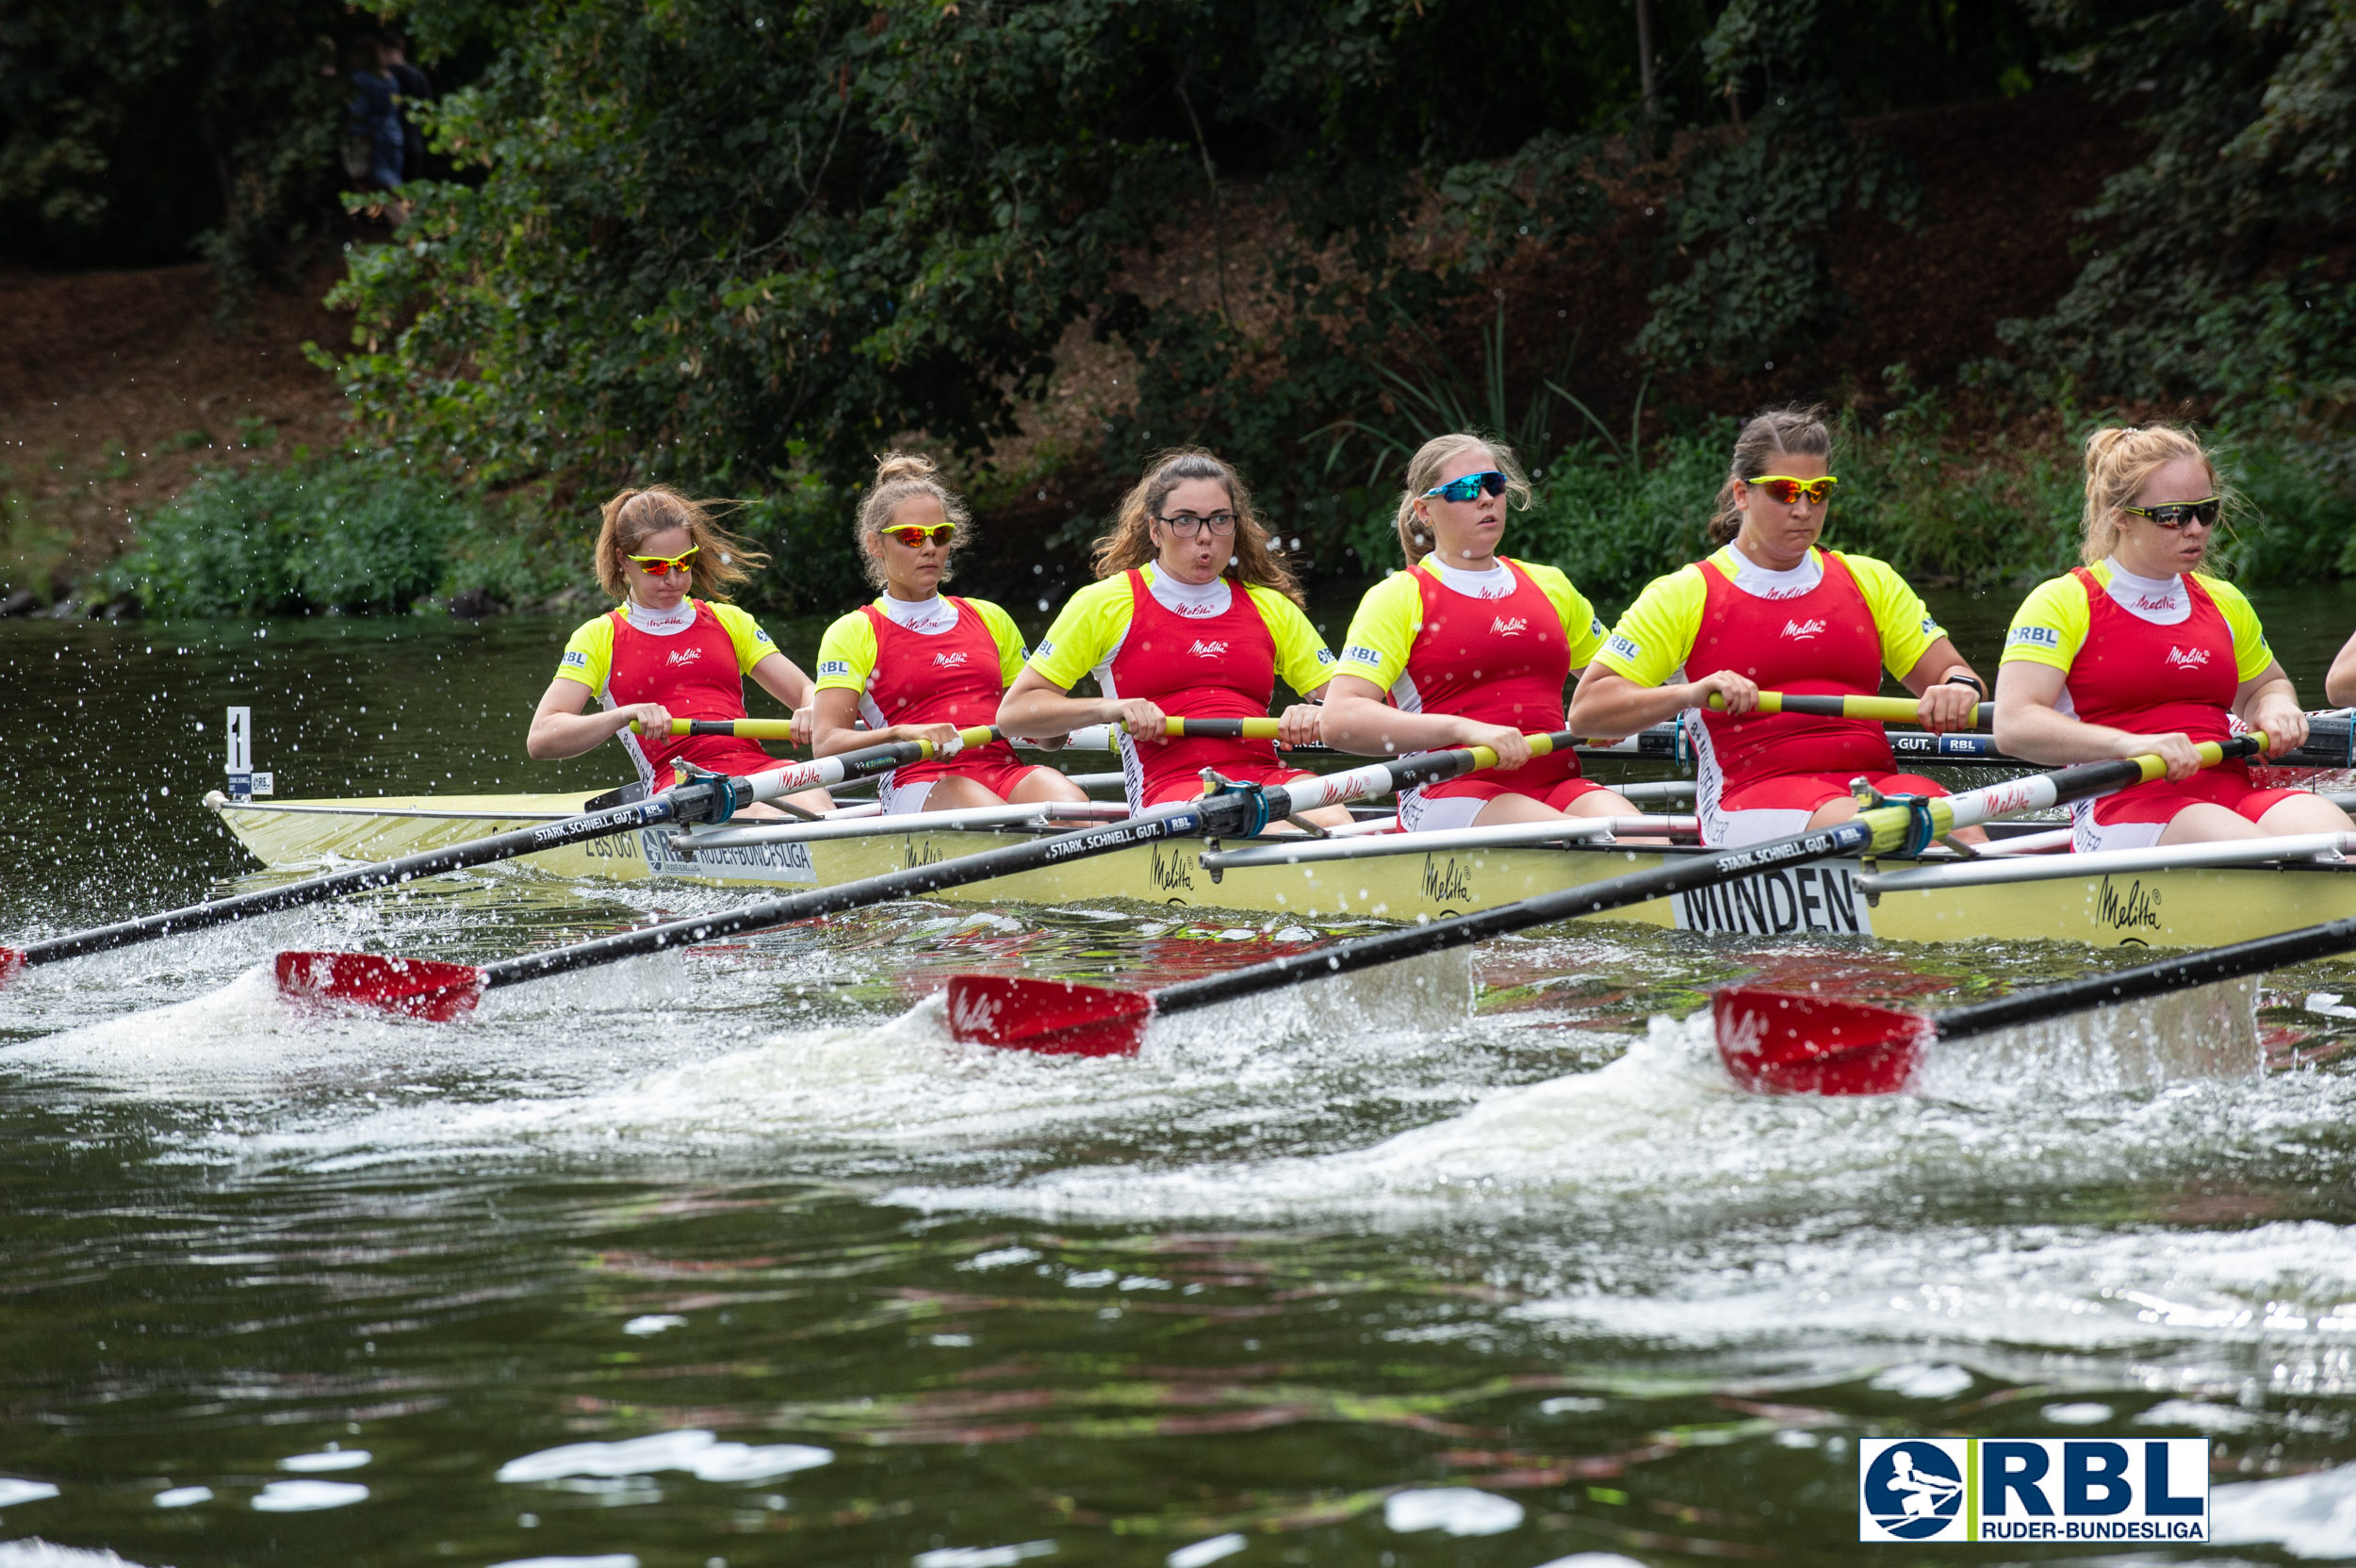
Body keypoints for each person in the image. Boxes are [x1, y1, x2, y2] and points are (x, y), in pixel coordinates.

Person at [1568, 406, 1988, 847]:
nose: (1804, 509)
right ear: (1742, 494)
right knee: (1885, 827)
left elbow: (1956, 674)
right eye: (1785, 492)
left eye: (1818, 491)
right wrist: (1692, 693)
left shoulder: (1870, 580)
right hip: (1748, 795)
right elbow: (1587, 712)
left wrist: (1957, 689)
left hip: (1870, 786)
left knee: (1962, 828)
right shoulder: (1686, 593)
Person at [1993, 424, 2348, 850]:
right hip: (2121, 801)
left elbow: (2264, 686)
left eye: (2207, 511)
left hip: (2232, 790)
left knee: (2339, 838)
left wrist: (2277, 706)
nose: (2195, 528)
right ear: (2121, 517)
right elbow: (2013, 724)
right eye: (2173, 516)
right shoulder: (2062, 602)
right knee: (2249, 845)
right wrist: (2133, 745)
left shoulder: (2223, 600)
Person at [997, 448, 1351, 829]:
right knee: (1265, 825)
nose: (1204, 537)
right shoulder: (1105, 603)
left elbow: (1355, 711)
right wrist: (1109, 710)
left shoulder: (1271, 608)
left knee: (1339, 824)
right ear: (1155, 530)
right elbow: (1015, 714)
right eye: (1185, 521)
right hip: (1171, 790)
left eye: (1219, 520)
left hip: (1268, 778)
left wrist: (1318, 713)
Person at [1318, 433, 1644, 831]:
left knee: (1643, 837)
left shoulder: (1550, 585)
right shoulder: (1399, 597)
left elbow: (1616, 689)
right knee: (1579, 841)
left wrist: (1612, 717)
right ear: (1425, 510)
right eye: (1466, 489)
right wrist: (1463, 729)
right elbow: (1339, 719)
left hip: (1556, 782)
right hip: (1448, 788)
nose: (1485, 498)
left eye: (1494, 485)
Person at [527, 485, 832, 817]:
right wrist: (624, 716)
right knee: (770, 815)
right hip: (681, 787)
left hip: (760, 770)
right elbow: (542, 738)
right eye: (656, 566)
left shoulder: (728, 621)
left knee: (815, 797)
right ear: (622, 560)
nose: (673, 578)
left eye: (684, 562)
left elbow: (805, 690)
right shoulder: (600, 637)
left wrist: (811, 706)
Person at [811, 453, 1087, 814]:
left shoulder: (991, 618)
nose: (929, 548)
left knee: (1076, 810)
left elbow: (1046, 739)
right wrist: (902, 734)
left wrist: (1060, 718)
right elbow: (827, 744)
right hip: (918, 778)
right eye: (911, 537)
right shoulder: (853, 631)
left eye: (940, 535)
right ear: (875, 545)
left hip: (1002, 772)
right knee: (992, 816)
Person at [347, 39, 405, 192]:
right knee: (392, 187)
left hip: (372, 139)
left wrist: (354, 134)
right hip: (394, 135)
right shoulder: (390, 78)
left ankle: (407, 216)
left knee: (383, 192)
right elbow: (396, 107)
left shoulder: (361, 78)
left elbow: (358, 113)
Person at [384, 35, 434, 185]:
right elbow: (428, 110)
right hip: (414, 142)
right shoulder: (418, 75)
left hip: (389, 144)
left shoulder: (385, 77)